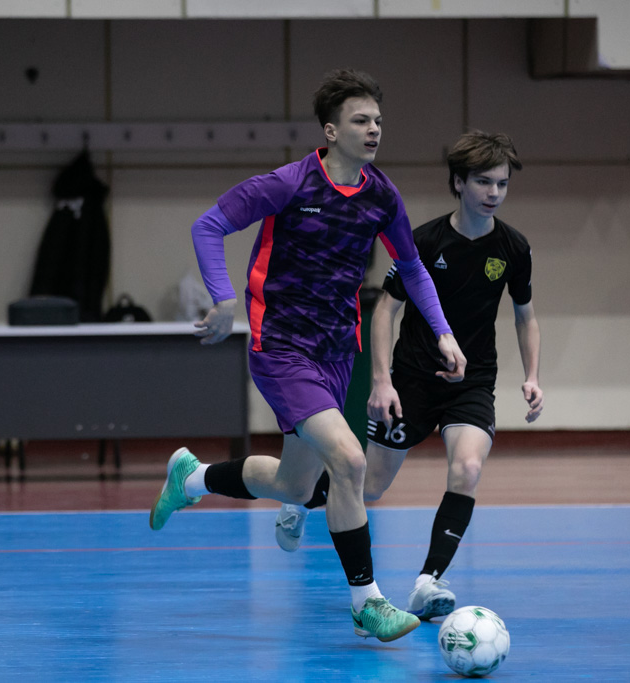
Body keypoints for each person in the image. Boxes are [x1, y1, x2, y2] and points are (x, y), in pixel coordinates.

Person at [148, 68, 467, 642]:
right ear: (331, 130)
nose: (374, 130)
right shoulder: (289, 184)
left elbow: (413, 267)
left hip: (336, 352)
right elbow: (209, 225)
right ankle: (367, 602)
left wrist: (442, 331)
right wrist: (224, 298)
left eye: (378, 121)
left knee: (296, 486)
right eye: (361, 121)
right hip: (280, 347)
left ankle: (191, 479)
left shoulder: (381, 196)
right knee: (349, 460)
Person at [273, 131, 543, 621]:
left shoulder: (514, 248)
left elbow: (525, 316)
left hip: (472, 382)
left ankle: (428, 581)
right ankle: (301, 498)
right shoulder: (423, 241)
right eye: (483, 182)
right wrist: (382, 380)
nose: (494, 193)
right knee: (370, 484)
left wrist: (532, 376)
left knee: (468, 468)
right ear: (458, 183)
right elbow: (385, 310)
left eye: (502, 184)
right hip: (412, 381)